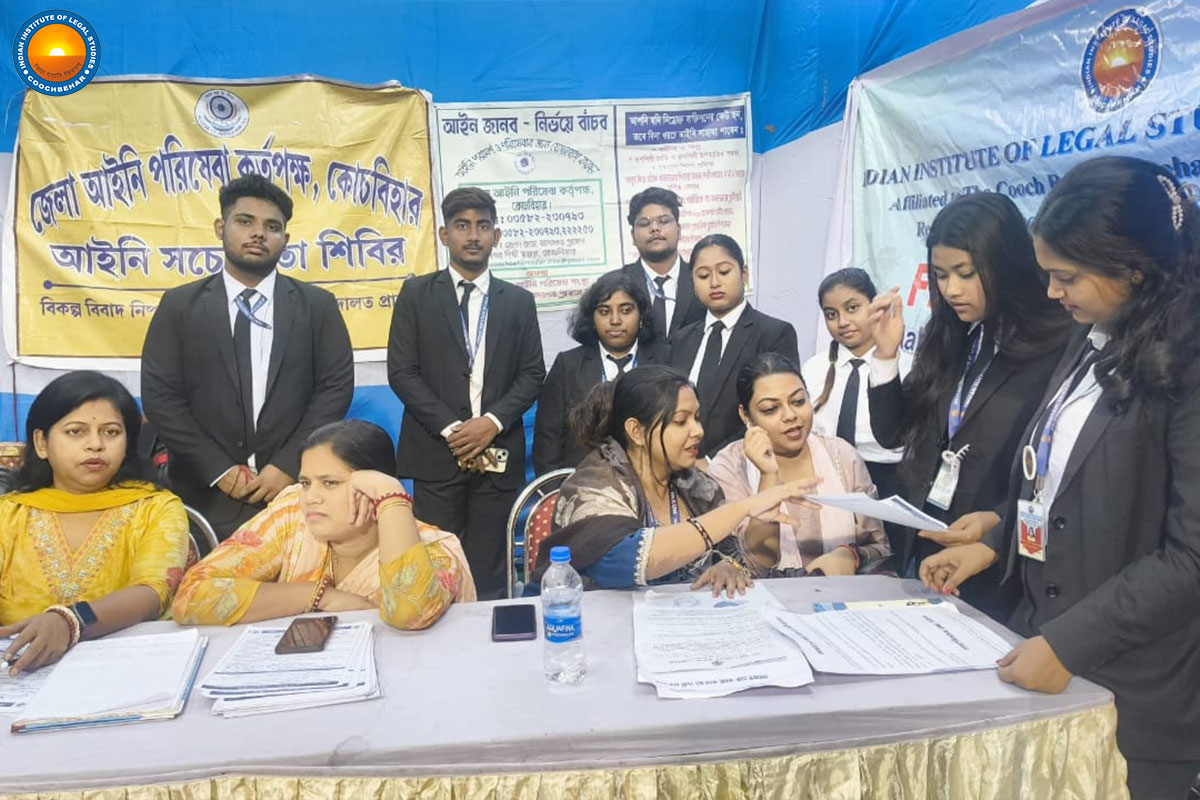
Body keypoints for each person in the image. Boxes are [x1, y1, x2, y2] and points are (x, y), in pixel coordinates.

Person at [919, 157, 1200, 800]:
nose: (1051, 293)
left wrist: (1070, 643)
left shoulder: (1187, 365)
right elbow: (1062, 482)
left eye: (1067, 277)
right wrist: (996, 540)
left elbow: (1190, 557)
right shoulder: (1090, 332)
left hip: (1135, 691)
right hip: (1044, 646)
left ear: (1133, 269)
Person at [866, 192, 1071, 620]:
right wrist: (885, 356)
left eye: (966, 273)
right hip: (926, 546)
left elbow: (1056, 473)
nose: (952, 290)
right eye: (941, 275)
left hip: (998, 561)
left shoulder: (1059, 342)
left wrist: (997, 523)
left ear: (1006, 264)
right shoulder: (953, 334)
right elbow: (891, 433)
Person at [141, 174, 354, 540]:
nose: (258, 234)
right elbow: (161, 396)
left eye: (272, 227)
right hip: (202, 494)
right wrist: (218, 470)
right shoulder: (179, 306)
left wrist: (287, 465)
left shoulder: (317, 307)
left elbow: (334, 390)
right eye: (245, 221)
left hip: (294, 495)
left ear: (285, 239)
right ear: (220, 227)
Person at [529, 365, 815, 594]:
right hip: (590, 629)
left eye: (697, 418)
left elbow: (755, 563)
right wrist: (742, 508)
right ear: (636, 431)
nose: (698, 431)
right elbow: (626, 561)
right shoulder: (596, 482)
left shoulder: (695, 485)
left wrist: (729, 567)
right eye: (681, 421)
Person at [387, 187, 544, 599]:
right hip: (436, 455)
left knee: (491, 568)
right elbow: (402, 373)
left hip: (497, 454)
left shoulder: (519, 301)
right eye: (462, 226)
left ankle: (491, 638)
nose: (473, 235)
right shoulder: (416, 295)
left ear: (497, 236)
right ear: (444, 235)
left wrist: (490, 423)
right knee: (439, 565)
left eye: (483, 226)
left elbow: (532, 374)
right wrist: (454, 429)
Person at [173, 420, 475, 629]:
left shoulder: (433, 547)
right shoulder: (293, 516)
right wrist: (321, 596)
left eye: (330, 483)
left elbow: (409, 613)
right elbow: (192, 596)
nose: (311, 498)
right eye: (306, 482)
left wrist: (391, 495)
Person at [0, 372, 189, 675]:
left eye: (111, 432)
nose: (96, 445)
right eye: (76, 432)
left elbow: (153, 592)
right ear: (41, 443)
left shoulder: (155, 508)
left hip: (128, 669)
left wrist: (70, 621)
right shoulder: (9, 515)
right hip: (19, 672)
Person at [709, 353, 890, 576]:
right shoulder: (730, 467)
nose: (790, 415)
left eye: (798, 402)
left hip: (841, 593)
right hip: (763, 594)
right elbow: (748, 566)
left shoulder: (842, 455)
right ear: (746, 416)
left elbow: (881, 549)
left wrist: (850, 555)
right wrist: (768, 476)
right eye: (770, 409)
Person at [802, 268, 907, 559]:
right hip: (829, 481)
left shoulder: (906, 366)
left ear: (874, 305)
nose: (842, 322)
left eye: (852, 308)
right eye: (831, 314)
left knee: (885, 565)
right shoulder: (814, 368)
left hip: (888, 481)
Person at [669, 234, 799, 456]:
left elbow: (773, 411)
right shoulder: (681, 339)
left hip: (745, 461)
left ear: (744, 274)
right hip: (682, 463)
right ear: (693, 283)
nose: (714, 283)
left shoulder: (774, 333)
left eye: (724, 272)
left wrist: (713, 461)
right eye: (703, 276)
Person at [533, 270, 668, 474]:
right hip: (583, 482)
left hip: (653, 480)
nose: (615, 320)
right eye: (604, 311)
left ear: (641, 315)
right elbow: (547, 442)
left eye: (626, 310)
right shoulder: (567, 366)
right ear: (592, 318)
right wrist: (558, 488)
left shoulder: (665, 360)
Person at [620, 187, 705, 337]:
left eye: (664, 221)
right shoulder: (616, 283)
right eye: (644, 223)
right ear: (633, 236)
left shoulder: (702, 279)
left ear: (679, 231)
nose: (654, 228)